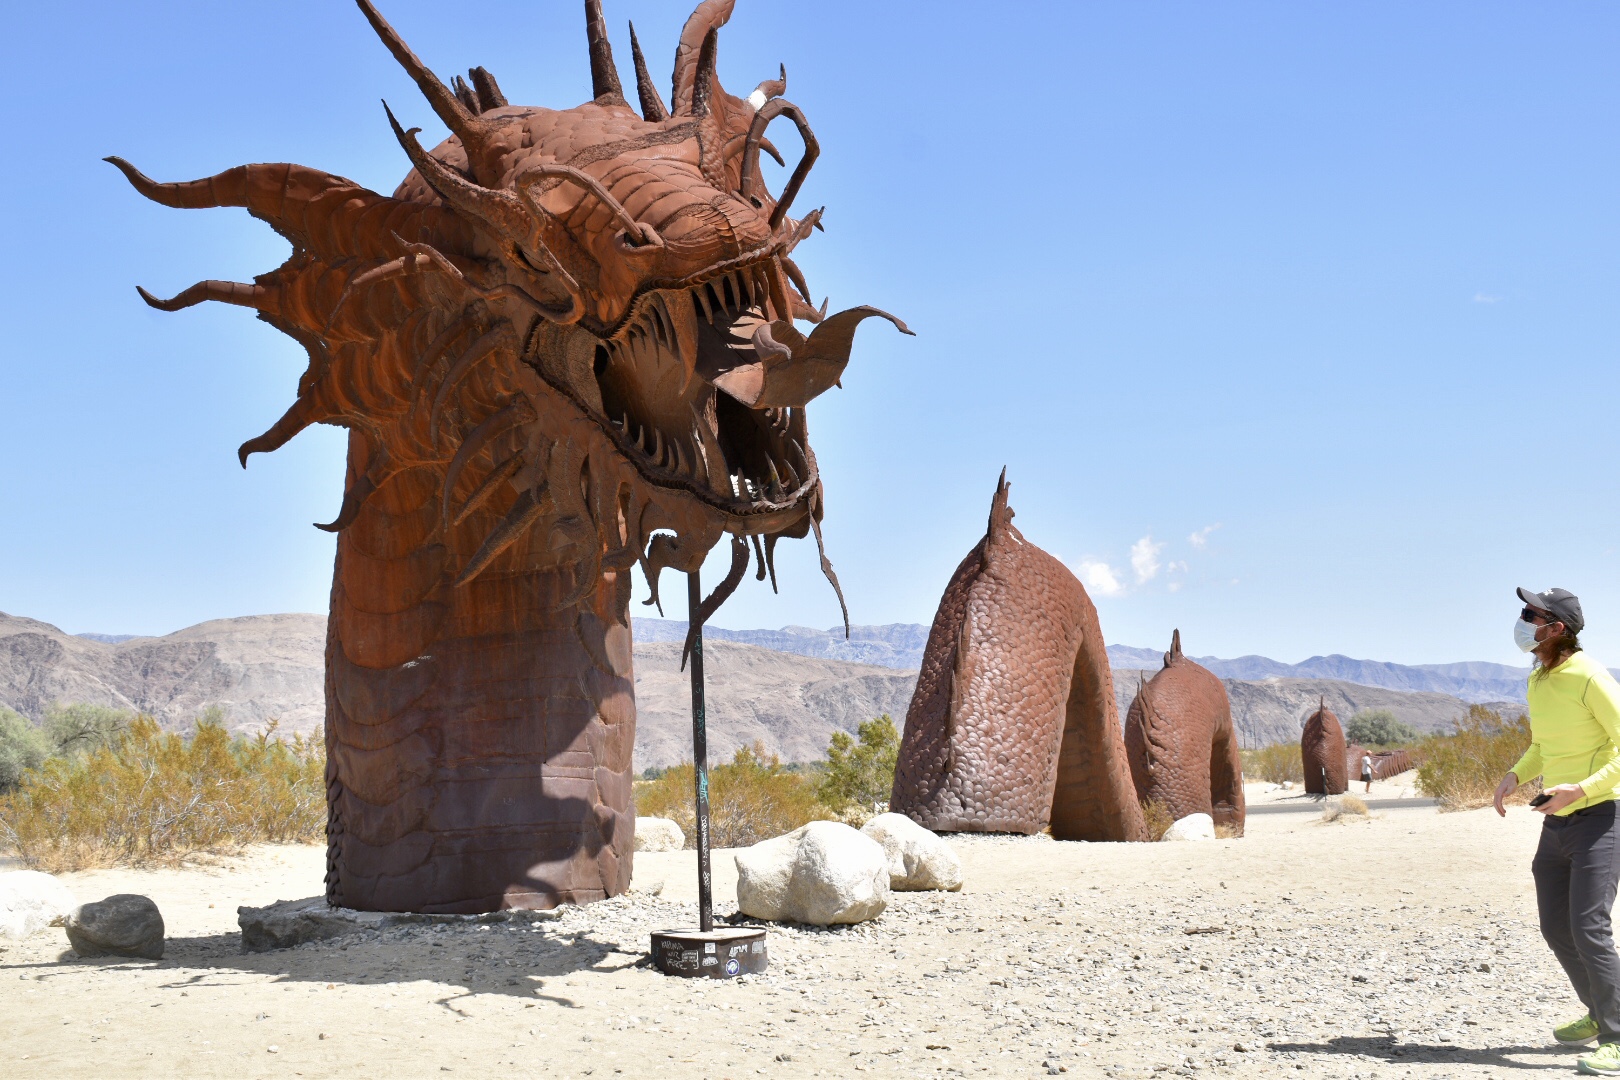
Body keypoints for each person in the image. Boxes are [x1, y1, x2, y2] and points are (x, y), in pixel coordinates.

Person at [1494, 587, 1620, 1075]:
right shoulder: (1540, 679)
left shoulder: (1589, 677)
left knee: (1590, 926)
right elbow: (1544, 745)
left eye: (1531, 615)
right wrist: (1515, 775)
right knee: (1556, 926)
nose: (1522, 621)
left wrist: (1581, 789)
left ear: (1557, 629)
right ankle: (1598, 1013)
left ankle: (1616, 1033)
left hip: (1602, 816)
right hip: (1557, 819)